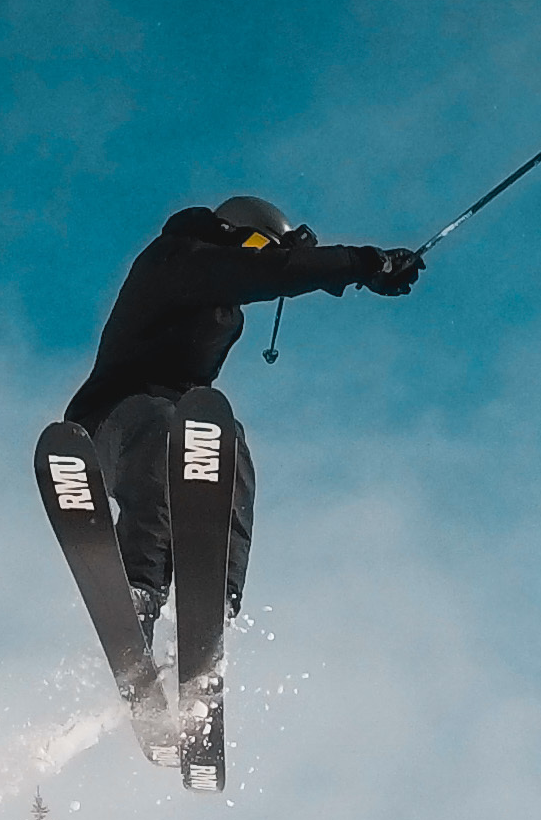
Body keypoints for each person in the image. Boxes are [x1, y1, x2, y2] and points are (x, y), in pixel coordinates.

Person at [65, 195, 422, 640]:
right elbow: (264, 272)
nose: (255, 255)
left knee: (226, 438)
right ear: (228, 234)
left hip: (170, 425)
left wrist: (355, 269)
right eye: (253, 244)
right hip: (109, 422)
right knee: (159, 425)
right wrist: (363, 263)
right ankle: (140, 587)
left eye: (263, 249)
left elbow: (271, 270)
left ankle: (215, 600)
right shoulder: (178, 257)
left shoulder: (222, 306)